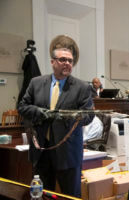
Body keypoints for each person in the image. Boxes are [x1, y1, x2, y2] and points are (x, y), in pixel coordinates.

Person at [18, 35, 94, 197]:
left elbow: (89, 115)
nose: (67, 63)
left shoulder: (82, 87)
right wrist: (40, 113)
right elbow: (22, 107)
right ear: (52, 61)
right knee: (42, 195)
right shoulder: (36, 83)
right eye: (62, 60)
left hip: (68, 153)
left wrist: (69, 116)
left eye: (70, 61)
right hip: (41, 152)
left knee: (71, 195)